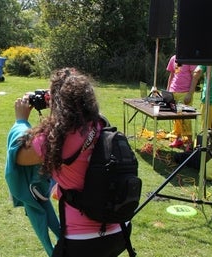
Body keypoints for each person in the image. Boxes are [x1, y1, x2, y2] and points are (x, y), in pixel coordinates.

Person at [12, 68, 129, 257]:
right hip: (120, 230)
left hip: (82, 241)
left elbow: (19, 157)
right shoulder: (101, 123)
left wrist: (20, 121)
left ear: (56, 102)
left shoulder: (55, 138)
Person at [166, 55, 197, 149]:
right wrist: (168, 91)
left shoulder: (190, 58)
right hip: (173, 92)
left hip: (185, 93)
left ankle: (189, 142)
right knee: (176, 118)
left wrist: (190, 94)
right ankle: (178, 139)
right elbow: (171, 75)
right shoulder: (173, 58)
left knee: (185, 118)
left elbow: (195, 77)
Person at [191, 65, 212, 151]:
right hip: (208, 100)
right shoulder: (209, 59)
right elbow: (197, 73)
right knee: (206, 128)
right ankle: (204, 147)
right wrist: (197, 72)